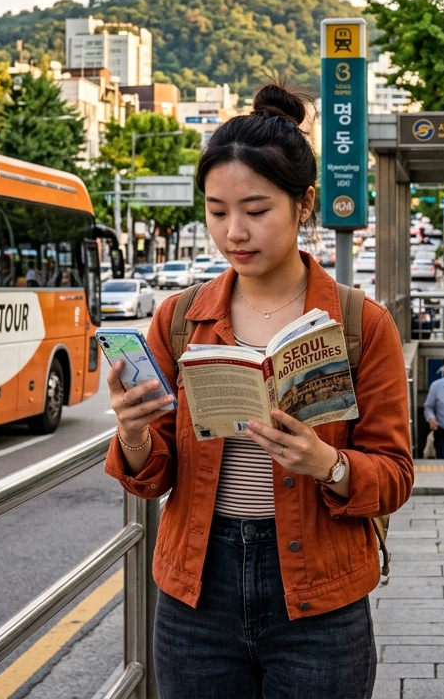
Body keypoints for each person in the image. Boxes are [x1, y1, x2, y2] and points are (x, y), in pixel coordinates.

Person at [104, 84, 413, 699]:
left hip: (318, 593)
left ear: (304, 205)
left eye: (255, 209)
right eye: (217, 212)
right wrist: (133, 433)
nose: (234, 232)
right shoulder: (180, 317)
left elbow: (395, 475)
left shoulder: (360, 323)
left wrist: (330, 464)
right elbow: (153, 475)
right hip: (197, 591)